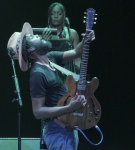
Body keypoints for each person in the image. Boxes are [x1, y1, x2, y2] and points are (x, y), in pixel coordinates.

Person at [7, 22, 95, 150]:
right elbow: (38, 112)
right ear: (31, 49)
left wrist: (86, 40)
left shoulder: (51, 57)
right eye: (34, 38)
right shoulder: (37, 74)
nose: (39, 36)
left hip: (67, 128)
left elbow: (77, 51)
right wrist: (70, 107)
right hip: (57, 131)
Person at [42, 2, 81, 74]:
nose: (56, 16)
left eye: (59, 13)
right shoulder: (44, 34)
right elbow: (39, 58)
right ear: (49, 15)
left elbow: (77, 59)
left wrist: (77, 76)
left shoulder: (72, 33)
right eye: (53, 13)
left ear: (64, 15)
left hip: (68, 74)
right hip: (50, 73)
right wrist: (44, 42)